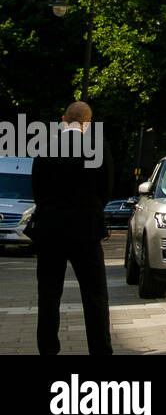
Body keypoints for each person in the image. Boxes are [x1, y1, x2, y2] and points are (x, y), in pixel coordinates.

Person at [30, 101, 114, 356]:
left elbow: (38, 191)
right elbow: (107, 189)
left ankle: (48, 349)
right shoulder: (98, 149)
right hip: (86, 231)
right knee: (95, 296)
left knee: (49, 295)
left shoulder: (45, 149)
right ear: (87, 124)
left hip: (50, 230)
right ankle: (100, 351)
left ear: (63, 120)